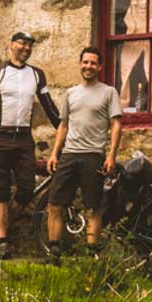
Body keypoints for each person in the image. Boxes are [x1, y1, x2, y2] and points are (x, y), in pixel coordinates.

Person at [0, 30, 61, 259]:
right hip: (0, 136)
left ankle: (1, 225)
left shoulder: (36, 75)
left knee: (26, 189)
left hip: (23, 138)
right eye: (22, 43)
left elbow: (49, 106)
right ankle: (3, 240)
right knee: (1, 191)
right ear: (12, 45)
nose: (25, 48)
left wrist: (64, 130)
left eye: (29, 45)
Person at [45, 46, 122, 261]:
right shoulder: (71, 93)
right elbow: (63, 125)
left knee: (93, 208)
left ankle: (91, 255)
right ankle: (54, 253)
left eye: (93, 63)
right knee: (54, 204)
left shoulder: (108, 92)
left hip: (93, 155)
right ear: (80, 64)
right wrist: (54, 154)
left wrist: (111, 156)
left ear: (99, 66)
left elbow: (116, 125)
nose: (88, 66)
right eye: (85, 62)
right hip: (69, 155)